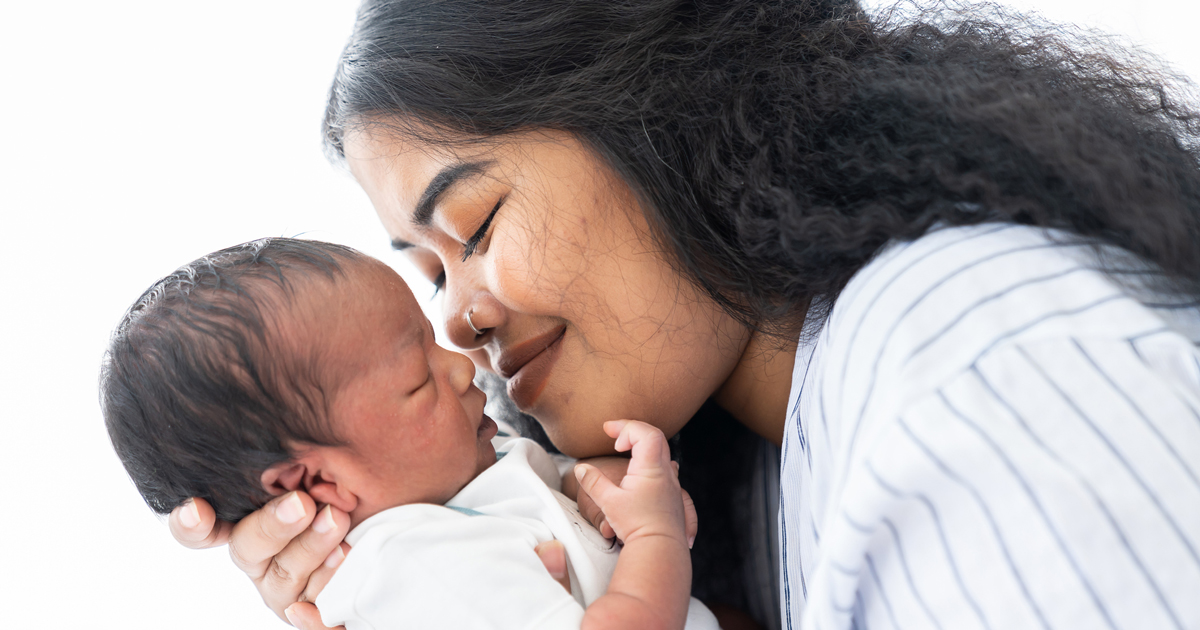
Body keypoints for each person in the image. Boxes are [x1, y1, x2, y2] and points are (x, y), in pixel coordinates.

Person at [169, 1, 1200, 629]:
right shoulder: (762, 462)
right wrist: (430, 584)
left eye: (474, 228)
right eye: (430, 272)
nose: (460, 322)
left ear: (665, 115)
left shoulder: (986, 389)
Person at [101, 237, 718, 630]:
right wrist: (652, 533)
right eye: (417, 379)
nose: (461, 363)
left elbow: (558, 495)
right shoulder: (411, 566)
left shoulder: (466, 481)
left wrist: (600, 489)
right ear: (318, 482)